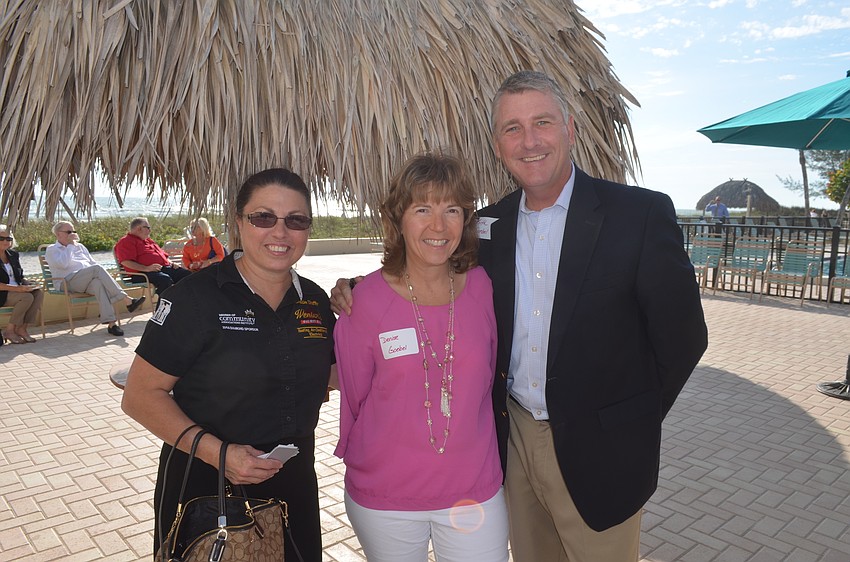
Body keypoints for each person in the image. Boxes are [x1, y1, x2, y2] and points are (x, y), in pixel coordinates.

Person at [332, 70, 708, 562]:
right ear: (497, 144)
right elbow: (430, 261)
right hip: (512, 445)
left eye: (543, 122)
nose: (529, 141)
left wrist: (628, 418)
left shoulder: (637, 215)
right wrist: (359, 287)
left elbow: (683, 337)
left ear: (569, 128)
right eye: (512, 128)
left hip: (600, 450)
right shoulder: (491, 226)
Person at [121, 168, 336, 561]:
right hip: (208, 485)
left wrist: (368, 307)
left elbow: (334, 374)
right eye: (263, 217)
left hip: (293, 485)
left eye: (296, 220)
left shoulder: (316, 301)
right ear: (239, 222)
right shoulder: (195, 298)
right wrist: (219, 454)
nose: (280, 232)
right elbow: (139, 396)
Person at [334, 153, 508, 561]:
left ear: (466, 220)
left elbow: (490, 375)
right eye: (422, 209)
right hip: (385, 497)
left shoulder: (484, 286)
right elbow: (356, 398)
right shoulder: (363, 302)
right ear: (399, 218)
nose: (438, 225)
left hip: (474, 492)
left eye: (452, 210)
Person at [44, 221, 146, 337]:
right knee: (96, 269)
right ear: (58, 234)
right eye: (68, 232)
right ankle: (126, 299)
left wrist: (74, 245)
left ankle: (112, 324)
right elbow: (63, 264)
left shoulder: (80, 247)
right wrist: (70, 246)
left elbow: (92, 263)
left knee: (98, 284)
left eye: (73, 231)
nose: (72, 234)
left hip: (86, 280)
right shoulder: (53, 249)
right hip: (66, 282)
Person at [114, 217, 191, 294]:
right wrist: (146, 268)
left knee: (188, 276)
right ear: (139, 228)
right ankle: (163, 304)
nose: (150, 230)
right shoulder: (126, 241)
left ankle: (188, 303)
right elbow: (126, 261)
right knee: (164, 279)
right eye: (147, 228)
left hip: (161, 269)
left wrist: (171, 263)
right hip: (141, 273)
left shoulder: (148, 240)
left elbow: (163, 256)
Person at [0, 225, 44, 344]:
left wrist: (28, 284)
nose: (5, 241)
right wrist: (18, 288)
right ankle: (10, 330)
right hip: (3, 292)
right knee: (26, 297)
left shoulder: (13, 255)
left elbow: (19, 276)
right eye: (1, 239)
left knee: (38, 294)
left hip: (17, 290)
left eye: (8, 239)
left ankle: (22, 328)